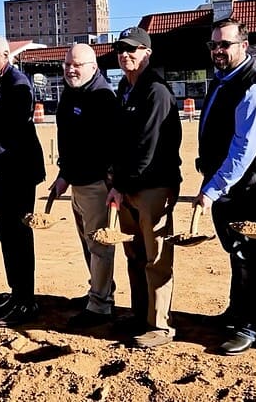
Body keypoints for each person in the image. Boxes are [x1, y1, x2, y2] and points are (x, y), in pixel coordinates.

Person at [194, 18, 256, 355]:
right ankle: (236, 311)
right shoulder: (223, 80)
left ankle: (249, 324)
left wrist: (213, 188)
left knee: (248, 255)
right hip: (226, 186)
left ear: (244, 45)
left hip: (248, 189)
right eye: (213, 44)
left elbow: (244, 151)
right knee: (236, 252)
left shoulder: (254, 88)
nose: (218, 50)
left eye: (225, 44)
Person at [105, 27, 182, 348]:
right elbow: (120, 140)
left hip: (153, 186)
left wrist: (120, 185)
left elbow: (147, 147)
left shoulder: (156, 91)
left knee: (156, 258)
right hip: (127, 187)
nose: (125, 54)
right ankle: (140, 314)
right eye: (121, 49)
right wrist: (116, 180)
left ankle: (160, 325)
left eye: (132, 49)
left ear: (147, 53)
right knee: (134, 254)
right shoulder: (125, 87)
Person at [0, 34, 45, 327]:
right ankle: (16, 294)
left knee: (19, 236)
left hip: (18, 172)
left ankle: (26, 301)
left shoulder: (18, 84)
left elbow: (12, 134)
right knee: (4, 232)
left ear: (6, 55)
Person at [50, 43, 118, 328]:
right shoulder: (71, 93)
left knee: (99, 245)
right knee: (88, 244)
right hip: (77, 182)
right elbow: (69, 141)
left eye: (77, 65)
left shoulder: (102, 96)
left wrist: (111, 182)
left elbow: (109, 145)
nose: (71, 70)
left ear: (93, 67)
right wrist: (64, 175)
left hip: (96, 183)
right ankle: (99, 291)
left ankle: (100, 305)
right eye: (67, 65)